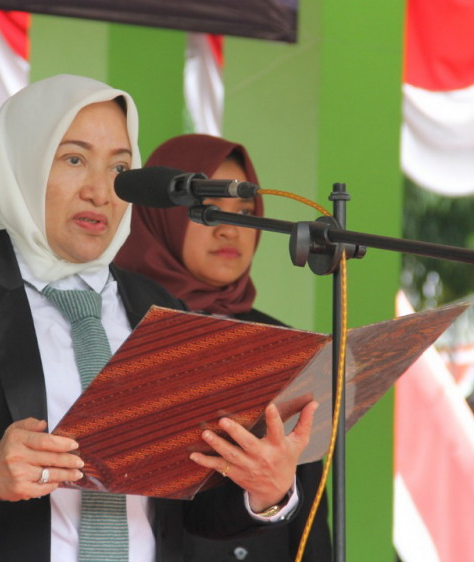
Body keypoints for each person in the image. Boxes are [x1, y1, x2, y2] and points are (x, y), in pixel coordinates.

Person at [0, 75, 318, 562]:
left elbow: (188, 509)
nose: (101, 192)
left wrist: (266, 489)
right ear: (24, 162)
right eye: (74, 159)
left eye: (120, 167)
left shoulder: (158, 306)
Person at [114, 133, 332, 561]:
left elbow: (309, 514)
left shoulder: (281, 343)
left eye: (245, 213)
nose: (230, 228)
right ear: (160, 214)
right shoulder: (118, 327)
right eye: (207, 209)